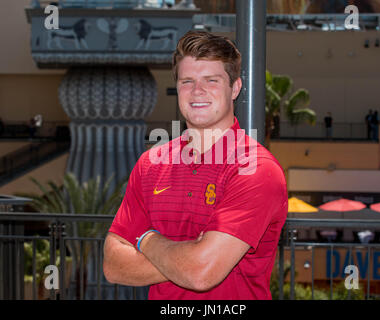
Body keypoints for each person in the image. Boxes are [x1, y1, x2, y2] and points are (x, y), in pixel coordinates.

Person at [103, 31, 288, 300]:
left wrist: (146, 240)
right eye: (187, 81)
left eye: (211, 81)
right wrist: (188, 256)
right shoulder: (151, 163)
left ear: (234, 88)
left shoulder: (256, 169)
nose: (197, 91)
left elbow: (200, 273)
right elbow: (113, 266)